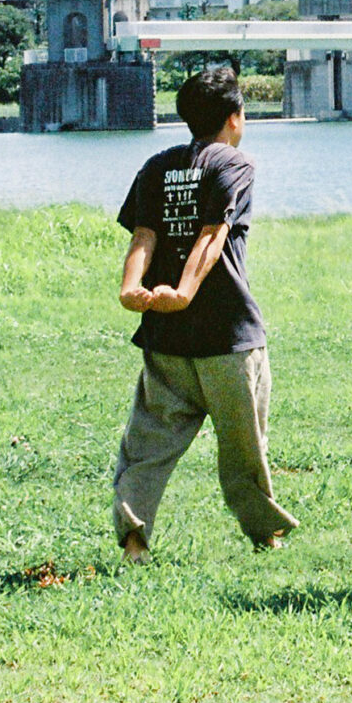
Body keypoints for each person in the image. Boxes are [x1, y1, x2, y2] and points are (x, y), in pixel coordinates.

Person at [111, 65, 297, 560]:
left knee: (148, 444)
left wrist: (133, 287)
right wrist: (186, 291)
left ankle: (133, 537)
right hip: (228, 337)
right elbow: (213, 235)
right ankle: (265, 534)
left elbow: (143, 236)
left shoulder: (156, 166)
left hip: (165, 339)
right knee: (244, 445)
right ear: (235, 117)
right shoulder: (235, 164)